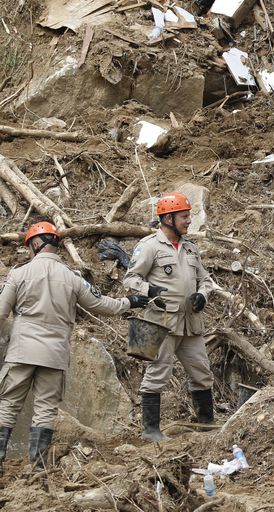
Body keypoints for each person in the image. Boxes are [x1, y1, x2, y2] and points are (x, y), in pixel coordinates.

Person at [0, 221, 149, 470]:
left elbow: (1, 312)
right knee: (45, 409)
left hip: (21, 352)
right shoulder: (72, 278)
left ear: (35, 245)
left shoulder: (18, 274)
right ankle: (38, 469)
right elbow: (102, 305)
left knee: (8, 405)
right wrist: (129, 301)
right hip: (54, 354)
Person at [125, 192, 217, 442]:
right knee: (157, 373)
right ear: (168, 218)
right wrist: (148, 291)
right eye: (184, 217)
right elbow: (131, 279)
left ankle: (206, 425)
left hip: (190, 323)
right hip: (162, 322)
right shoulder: (149, 246)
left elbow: (206, 280)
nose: (189, 221)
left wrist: (202, 295)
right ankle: (151, 431)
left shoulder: (190, 248)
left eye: (189, 216)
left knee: (201, 373)